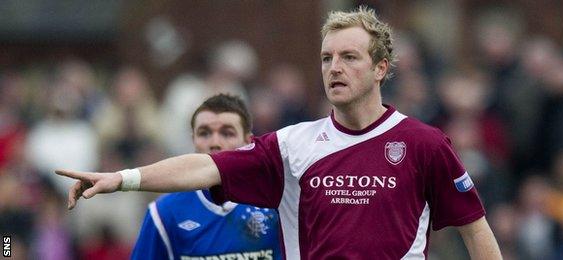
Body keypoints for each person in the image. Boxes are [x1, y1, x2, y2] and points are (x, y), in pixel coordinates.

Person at [57, 6, 502, 259]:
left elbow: (474, 229)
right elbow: (204, 166)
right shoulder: (292, 145)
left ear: (381, 68)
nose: (334, 68)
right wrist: (123, 178)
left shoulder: (424, 143)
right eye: (327, 58)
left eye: (349, 57)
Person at [131, 94, 282, 260]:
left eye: (227, 133)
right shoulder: (164, 212)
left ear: (248, 142)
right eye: (204, 133)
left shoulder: (276, 204)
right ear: (193, 140)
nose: (214, 142)